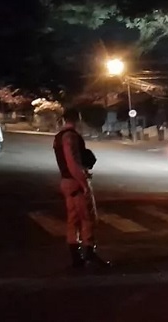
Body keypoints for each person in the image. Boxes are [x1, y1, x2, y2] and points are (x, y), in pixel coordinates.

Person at [53, 108, 111, 268]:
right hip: (75, 182)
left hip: (66, 181)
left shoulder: (58, 137)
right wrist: (83, 183)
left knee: (73, 220)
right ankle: (89, 253)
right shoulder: (70, 137)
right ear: (77, 118)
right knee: (87, 219)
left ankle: (76, 257)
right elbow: (73, 162)